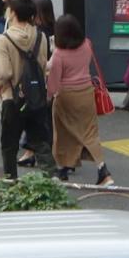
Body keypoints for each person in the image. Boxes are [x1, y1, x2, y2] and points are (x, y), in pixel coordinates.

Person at [46, 14, 114, 186]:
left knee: (63, 133)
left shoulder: (59, 55)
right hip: (86, 92)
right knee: (90, 133)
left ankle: (62, 170)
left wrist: (47, 98)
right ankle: (103, 170)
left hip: (66, 96)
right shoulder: (87, 44)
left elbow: (53, 84)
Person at [0, 0, 53, 177]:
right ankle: (51, 181)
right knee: (40, 142)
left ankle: (11, 184)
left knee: (9, 145)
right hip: (36, 97)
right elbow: (44, 66)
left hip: (13, 99)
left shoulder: (5, 40)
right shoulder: (41, 37)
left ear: (14, 13)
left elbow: (5, 73)